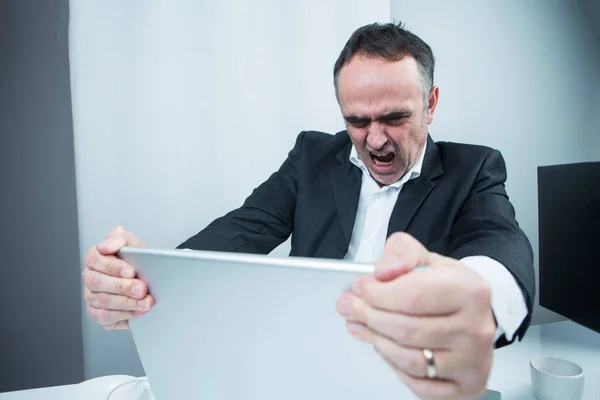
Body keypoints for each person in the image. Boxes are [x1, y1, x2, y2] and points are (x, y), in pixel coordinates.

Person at [82, 22, 535, 400]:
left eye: (395, 118)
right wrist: (152, 279)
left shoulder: (472, 168)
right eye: (357, 121)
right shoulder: (312, 155)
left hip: (405, 378)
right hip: (299, 370)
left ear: (431, 104)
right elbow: (244, 229)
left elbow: (500, 243)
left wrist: (481, 300)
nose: (375, 140)